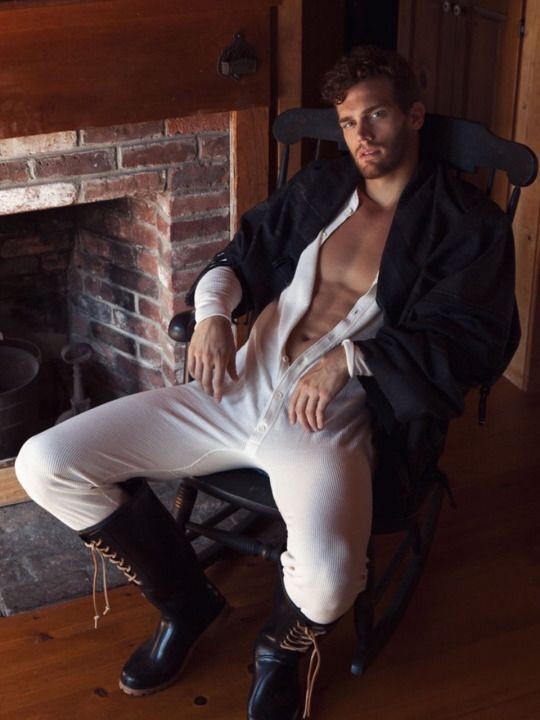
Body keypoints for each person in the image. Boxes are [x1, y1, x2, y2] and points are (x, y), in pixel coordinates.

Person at [15, 45, 519, 720]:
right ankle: (187, 605)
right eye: (348, 122)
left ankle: (280, 650)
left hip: (329, 422)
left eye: (376, 115)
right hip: (232, 392)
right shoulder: (321, 190)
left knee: (332, 578)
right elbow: (238, 257)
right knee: (45, 462)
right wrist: (212, 317)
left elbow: (471, 341)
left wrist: (351, 360)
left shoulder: (465, 225)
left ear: (415, 115)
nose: (362, 136)